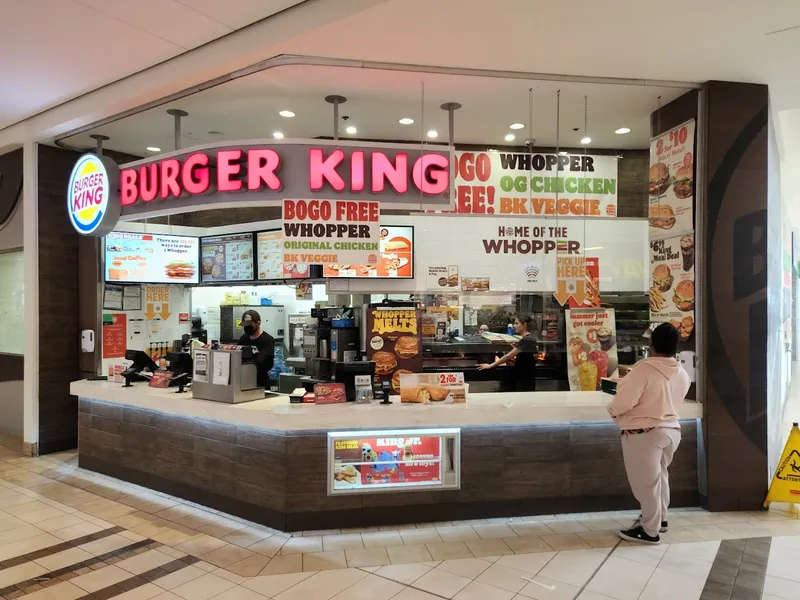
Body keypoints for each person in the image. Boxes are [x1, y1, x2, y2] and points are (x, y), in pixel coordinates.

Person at [608, 322, 690, 545]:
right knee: (660, 478)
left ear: (652, 343)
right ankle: (660, 519)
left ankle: (649, 531)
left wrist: (613, 412)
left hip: (644, 434)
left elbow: (622, 402)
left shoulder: (644, 369)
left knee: (646, 485)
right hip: (671, 431)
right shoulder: (681, 371)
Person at [477, 315, 537, 391]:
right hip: (522, 376)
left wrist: (490, 365)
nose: (514, 326)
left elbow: (508, 357)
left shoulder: (527, 339)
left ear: (524, 325)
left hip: (525, 378)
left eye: (516, 323)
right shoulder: (526, 339)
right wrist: (516, 347)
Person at [237, 310, 275, 389]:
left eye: (249, 325)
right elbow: (236, 357)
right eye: (245, 325)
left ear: (258, 323)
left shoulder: (267, 340)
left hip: (260, 383)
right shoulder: (243, 339)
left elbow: (260, 362)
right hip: (244, 381)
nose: (247, 328)